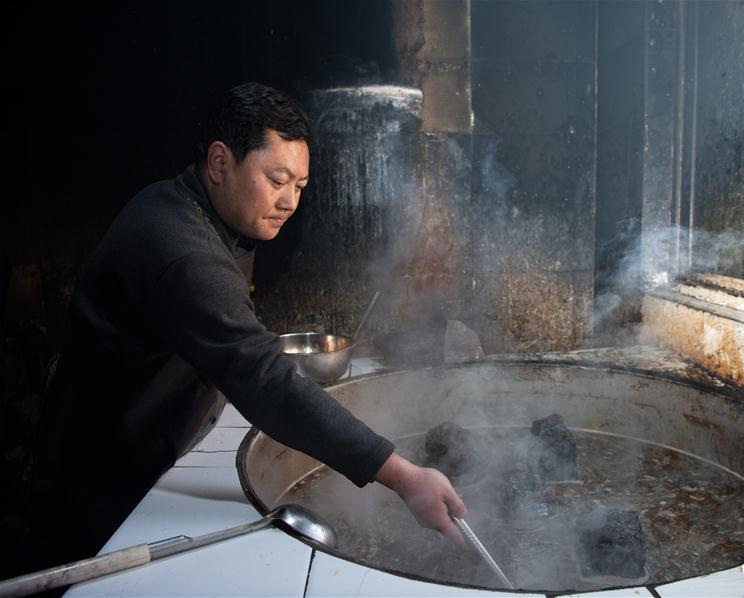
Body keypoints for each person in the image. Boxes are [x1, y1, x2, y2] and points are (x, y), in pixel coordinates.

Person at [14, 82, 465, 580]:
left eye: (300, 187)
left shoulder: (192, 206)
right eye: (277, 180)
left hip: (151, 445)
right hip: (100, 480)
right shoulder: (181, 250)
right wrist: (403, 476)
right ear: (220, 162)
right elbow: (263, 378)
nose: (289, 202)